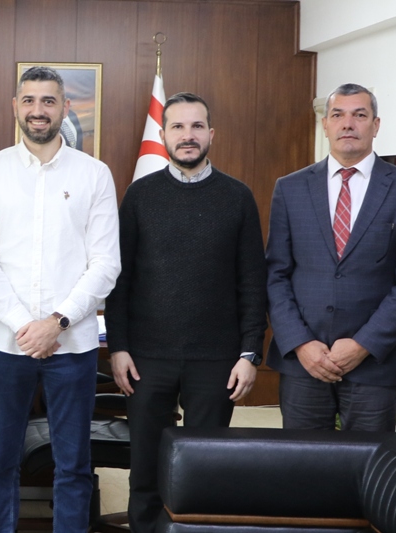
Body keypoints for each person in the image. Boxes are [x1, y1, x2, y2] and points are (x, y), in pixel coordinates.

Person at [0, 66, 120, 533]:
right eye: (29, 100)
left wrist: (56, 322)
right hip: (5, 344)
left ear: (64, 108)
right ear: (16, 107)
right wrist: (25, 327)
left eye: (48, 101)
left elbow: (105, 263)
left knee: (73, 465)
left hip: (72, 346)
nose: (38, 110)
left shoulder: (94, 174)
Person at [103, 92, 267, 533]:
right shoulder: (139, 195)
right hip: (146, 358)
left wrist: (250, 353)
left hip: (216, 359)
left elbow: (253, 282)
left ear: (211, 134)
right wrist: (118, 347)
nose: (188, 135)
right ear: (163, 135)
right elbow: (119, 280)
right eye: (178, 126)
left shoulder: (237, 197)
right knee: (145, 470)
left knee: (207, 468)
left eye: (196, 126)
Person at [266, 83, 396, 431]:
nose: (348, 124)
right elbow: (275, 274)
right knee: (302, 460)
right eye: (338, 115)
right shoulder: (290, 188)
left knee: (367, 460)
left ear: (376, 125)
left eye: (360, 115)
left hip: (374, 365)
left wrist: (362, 345)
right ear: (325, 124)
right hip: (304, 362)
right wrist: (301, 343)